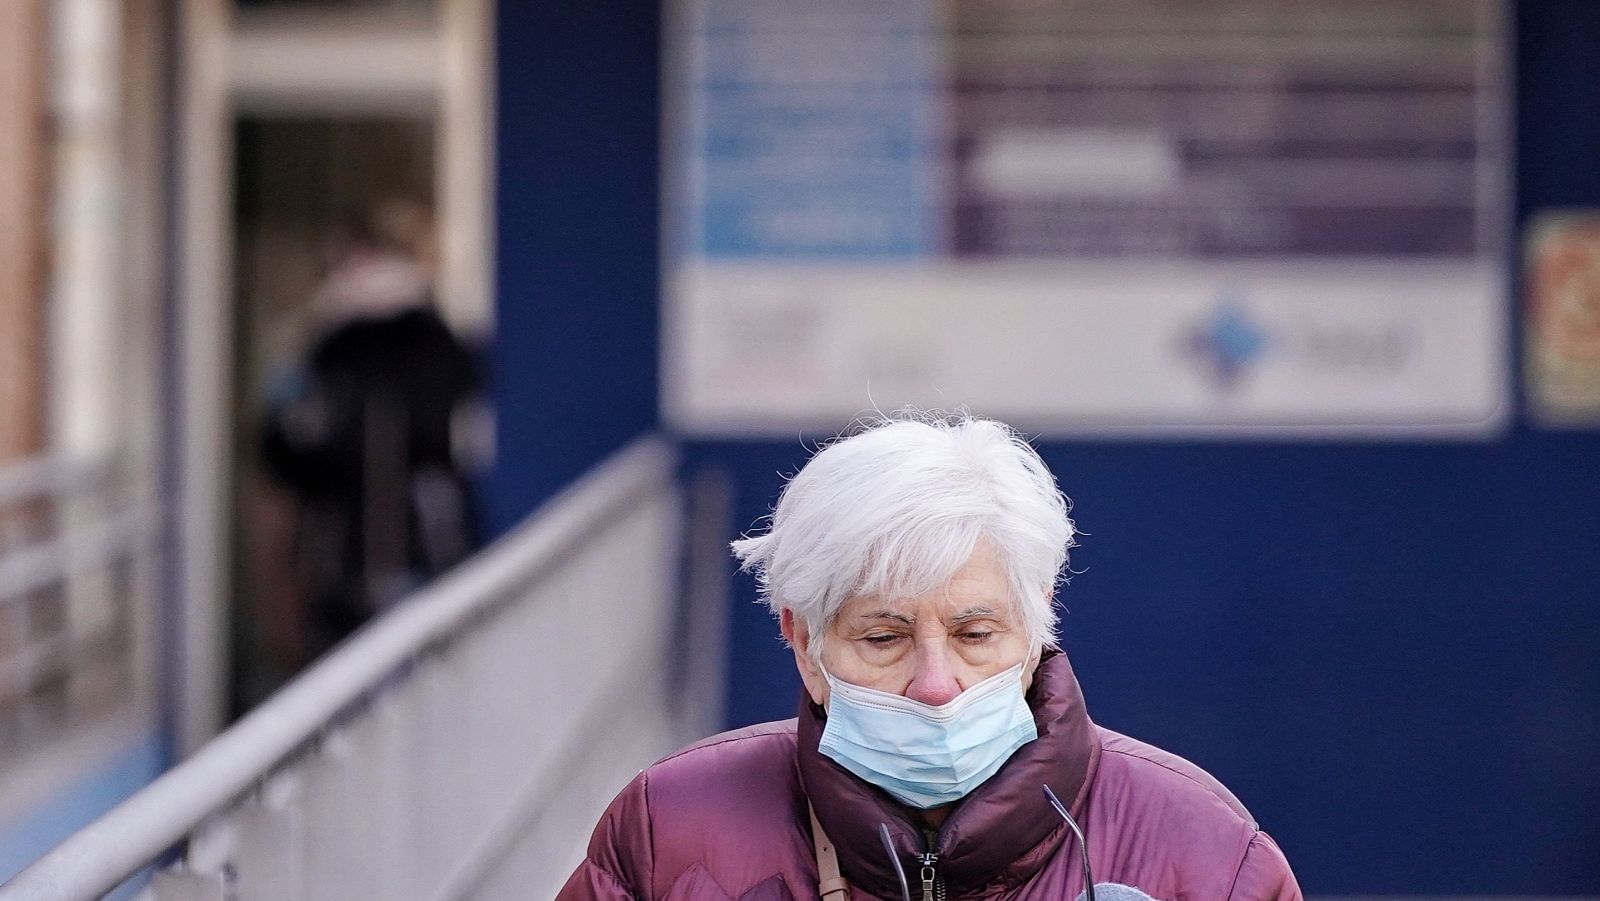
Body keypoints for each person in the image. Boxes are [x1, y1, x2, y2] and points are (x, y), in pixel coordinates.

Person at [559, 413, 1301, 900]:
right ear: (804, 643)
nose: (938, 685)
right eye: (884, 638)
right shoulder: (668, 832)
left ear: (1036, 626)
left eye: (976, 635)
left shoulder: (1205, 853)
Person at [253, 206, 486, 676]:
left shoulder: (420, 344)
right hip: (343, 565)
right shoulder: (328, 348)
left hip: (415, 554)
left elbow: (443, 412)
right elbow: (286, 455)